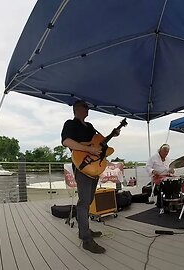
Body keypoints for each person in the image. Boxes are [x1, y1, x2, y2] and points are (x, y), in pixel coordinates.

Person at [61, 100, 120, 254]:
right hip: (82, 166)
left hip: (94, 167)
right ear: (77, 110)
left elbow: (100, 143)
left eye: (88, 108)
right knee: (83, 202)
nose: (88, 111)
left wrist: (112, 134)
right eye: (85, 108)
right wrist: (88, 149)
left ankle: (83, 231)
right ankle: (86, 239)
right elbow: (66, 141)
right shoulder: (70, 124)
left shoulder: (90, 126)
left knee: (88, 200)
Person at [145, 144, 175, 213]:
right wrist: (153, 171)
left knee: (177, 180)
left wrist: (172, 170)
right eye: (164, 152)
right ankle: (165, 204)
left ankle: (175, 201)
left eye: (167, 152)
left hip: (167, 175)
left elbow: (170, 168)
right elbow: (147, 167)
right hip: (157, 176)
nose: (165, 154)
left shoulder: (168, 159)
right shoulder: (153, 157)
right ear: (160, 150)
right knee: (167, 184)